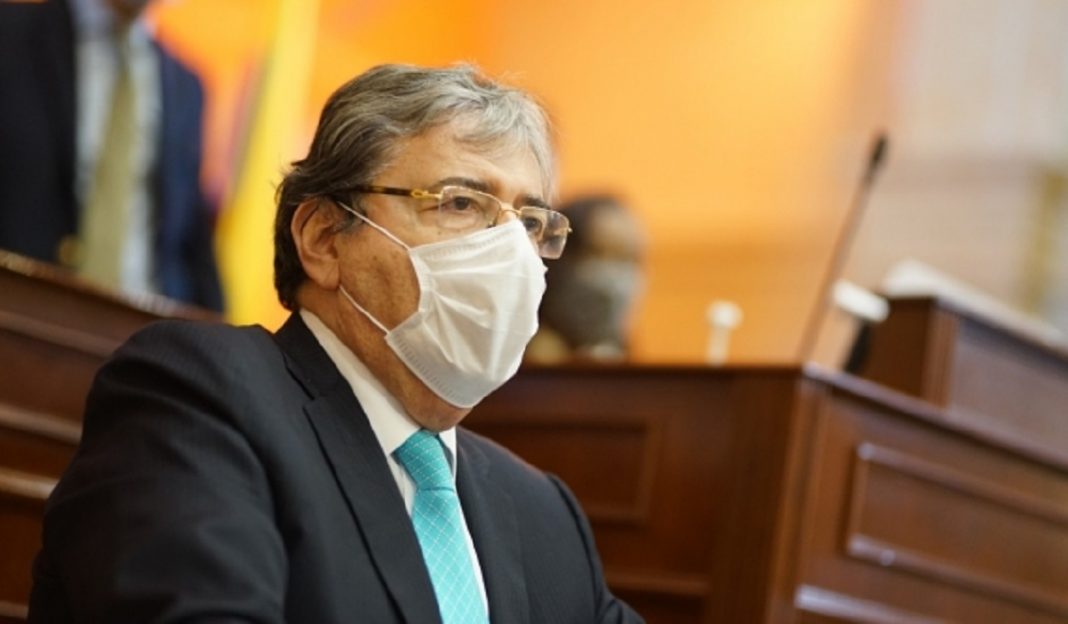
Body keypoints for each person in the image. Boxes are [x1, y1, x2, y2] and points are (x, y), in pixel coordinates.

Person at [28, 64, 643, 623]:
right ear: (323, 238)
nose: (509, 252)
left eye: (530, 223)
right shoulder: (198, 398)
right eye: (460, 203)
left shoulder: (543, 512)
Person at [0, 0, 223, 310]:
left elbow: (191, 240)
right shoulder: (11, 35)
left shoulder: (186, 87)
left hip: (141, 324)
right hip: (23, 312)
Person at [527, 195, 645, 363]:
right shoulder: (516, 364)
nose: (614, 276)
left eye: (628, 258)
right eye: (598, 254)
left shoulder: (627, 363)